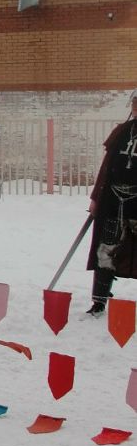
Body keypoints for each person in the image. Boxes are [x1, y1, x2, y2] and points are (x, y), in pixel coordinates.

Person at [86, 88, 137, 314]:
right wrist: (97, 197)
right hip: (114, 201)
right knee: (105, 250)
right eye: (135, 103)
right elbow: (106, 169)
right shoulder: (123, 131)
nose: (136, 108)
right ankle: (99, 300)